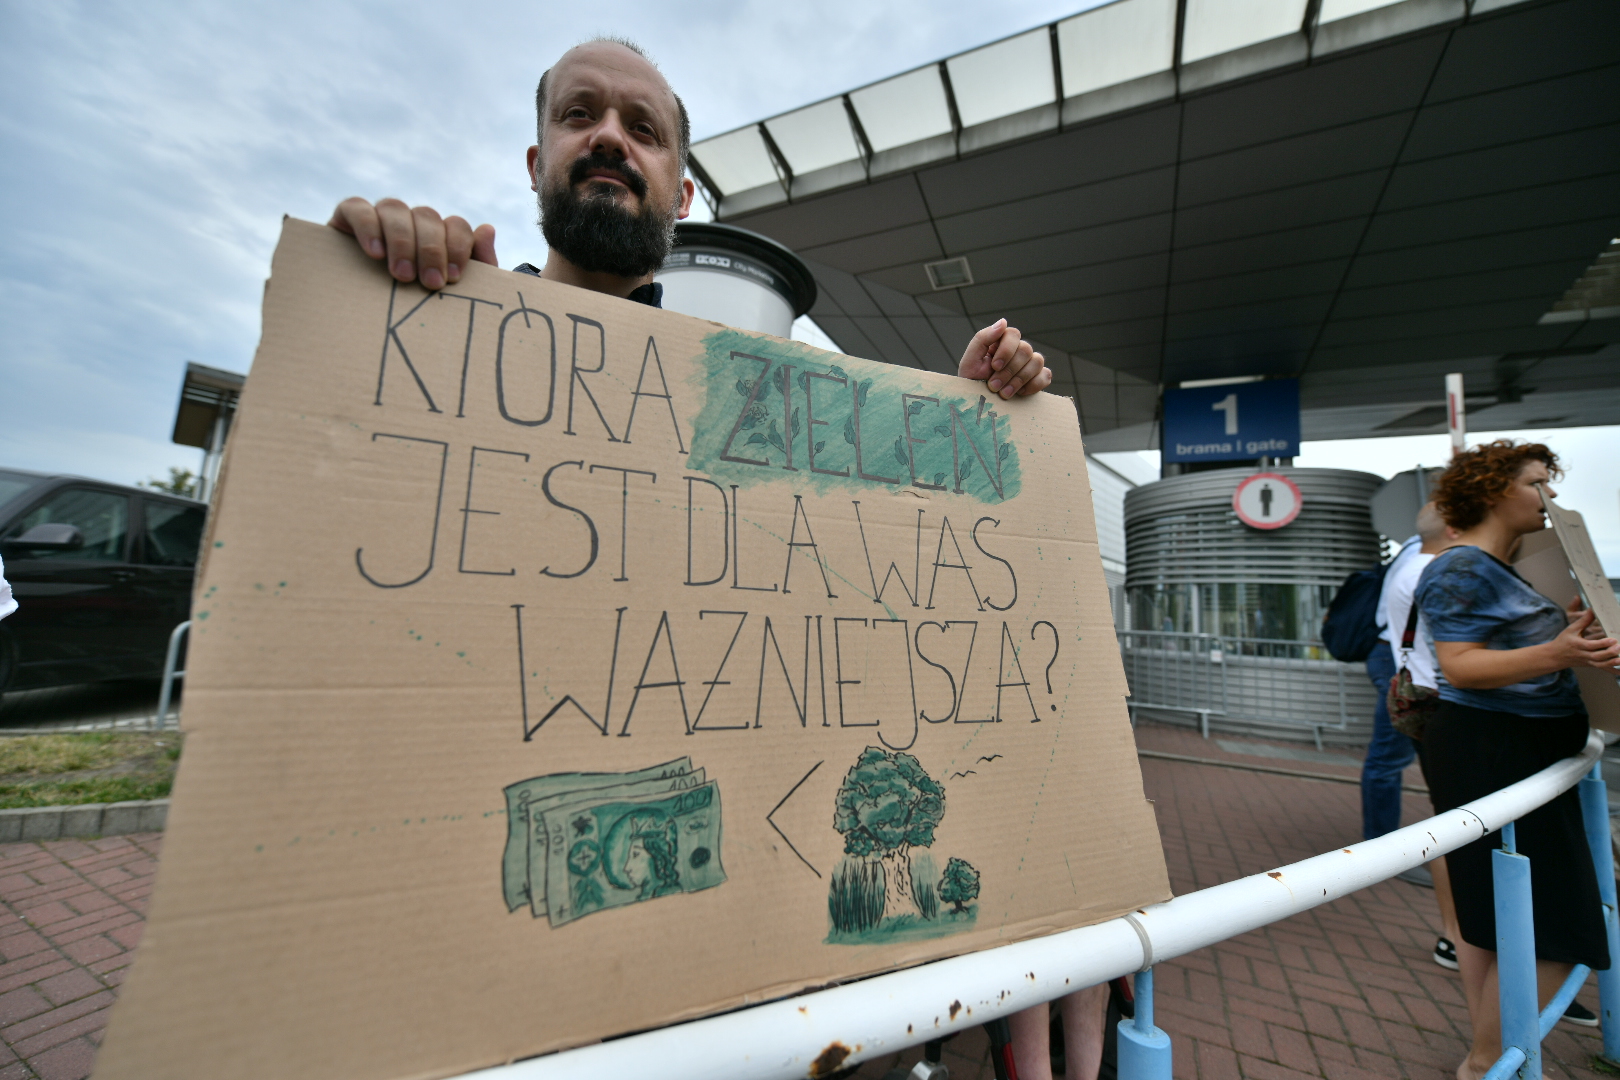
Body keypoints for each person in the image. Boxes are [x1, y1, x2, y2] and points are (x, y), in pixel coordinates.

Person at [326, 38, 1053, 402]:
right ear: (535, 164)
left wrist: (961, 413)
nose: (609, 135)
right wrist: (371, 288)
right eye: (579, 114)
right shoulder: (440, 321)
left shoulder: (741, 397)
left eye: (644, 129)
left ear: (682, 198)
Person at [1415, 440, 1620, 1080]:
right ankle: (1486, 1062)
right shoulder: (1461, 567)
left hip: (1500, 750)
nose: (1550, 497)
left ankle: (1486, 1058)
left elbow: (1491, 646)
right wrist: (1561, 654)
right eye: (1537, 483)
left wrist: (1555, 629)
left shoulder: (1493, 566)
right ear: (1495, 488)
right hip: (1499, 751)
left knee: (1488, 918)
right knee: (1563, 926)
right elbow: (1460, 665)